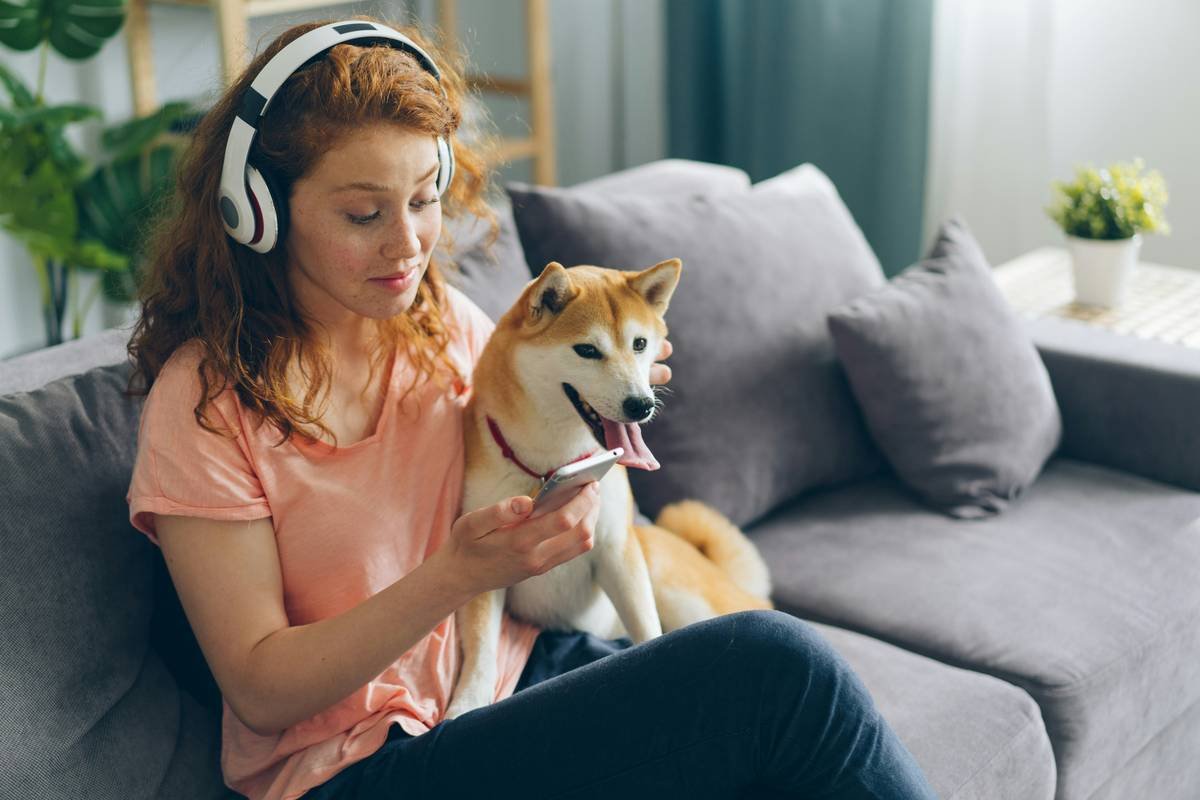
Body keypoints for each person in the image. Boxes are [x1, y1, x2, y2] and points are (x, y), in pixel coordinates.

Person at [123, 15, 939, 800]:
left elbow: (549, 427)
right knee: (776, 667)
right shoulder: (205, 405)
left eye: (423, 198)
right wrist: (456, 575)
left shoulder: (441, 327)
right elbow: (262, 690)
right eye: (363, 213)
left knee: (782, 755)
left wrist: (610, 396)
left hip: (516, 676)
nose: (408, 244)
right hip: (360, 768)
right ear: (255, 208)